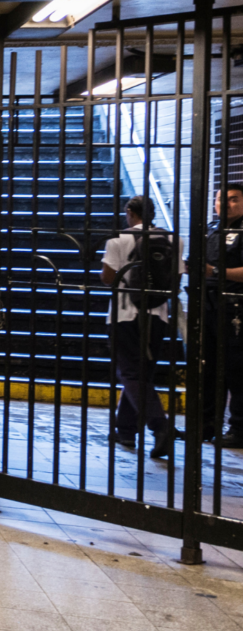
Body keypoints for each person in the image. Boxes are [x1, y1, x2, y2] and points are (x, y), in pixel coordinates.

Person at [102, 196, 180, 458]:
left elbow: (108, 278)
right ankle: (125, 429)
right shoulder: (173, 240)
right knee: (140, 373)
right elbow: (176, 279)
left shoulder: (118, 240)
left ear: (129, 212)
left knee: (130, 373)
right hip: (158, 314)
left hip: (126, 314)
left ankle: (160, 426)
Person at [203, 183, 243, 448]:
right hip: (208, 306)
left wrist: (216, 273)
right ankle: (205, 426)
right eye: (221, 200)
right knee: (208, 368)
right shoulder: (210, 229)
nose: (226, 204)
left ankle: (238, 429)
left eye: (234, 199)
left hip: (235, 308)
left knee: (235, 370)